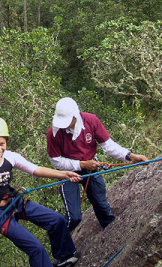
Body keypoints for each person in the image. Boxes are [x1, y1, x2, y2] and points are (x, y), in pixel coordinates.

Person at [0, 116, 82, 267]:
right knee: (36, 248)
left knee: (57, 220)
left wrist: (65, 174)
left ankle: (65, 257)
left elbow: (35, 170)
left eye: (2, 144)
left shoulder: (9, 157)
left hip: (15, 202)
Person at [47, 97, 149, 231]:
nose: (65, 125)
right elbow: (56, 161)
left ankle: (112, 234)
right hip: (67, 172)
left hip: (91, 167)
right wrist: (82, 164)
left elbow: (108, 145)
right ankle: (60, 240)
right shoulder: (54, 133)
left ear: (75, 116)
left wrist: (130, 156)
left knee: (102, 206)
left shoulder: (91, 121)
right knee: (74, 217)